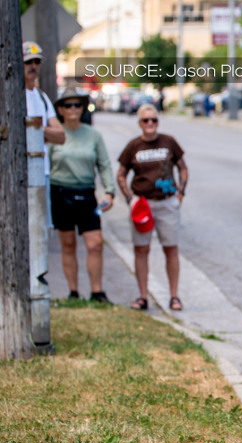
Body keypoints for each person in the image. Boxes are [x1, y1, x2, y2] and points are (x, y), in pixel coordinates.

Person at [116, 104, 188, 311]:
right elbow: (121, 174)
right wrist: (130, 199)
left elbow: (183, 168)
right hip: (143, 205)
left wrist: (181, 192)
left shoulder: (169, 142)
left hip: (167, 203)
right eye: (146, 120)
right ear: (139, 123)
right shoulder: (134, 146)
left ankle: (174, 296)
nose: (150, 124)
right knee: (141, 249)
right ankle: (142, 296)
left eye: (154, 120)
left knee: (171, 248)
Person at [49, 88, 115, 302]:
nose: (73, 109)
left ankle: (97, 291)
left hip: (86, 193)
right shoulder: (55, 135)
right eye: (68, 105)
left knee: (95, 243)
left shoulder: (93, 134)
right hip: (61, 192)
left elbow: (104, 164)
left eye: (77, 105)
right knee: (68, 245)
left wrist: (109, 191)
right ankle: (73, 292)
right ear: (60, 109)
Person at [23, 41, 66, 223]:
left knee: (41, 227)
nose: (33, 66)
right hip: (20, 170)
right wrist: (45, 132)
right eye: (28, 62)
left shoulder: (42, 97)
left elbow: (61, 136)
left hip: (43, 169)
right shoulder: (12, 94)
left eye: (37, 62)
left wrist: (33, 128)